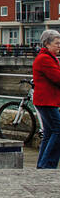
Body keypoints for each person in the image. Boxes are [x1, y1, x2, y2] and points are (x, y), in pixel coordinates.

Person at [33, 28, 60, 168]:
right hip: (47, 101)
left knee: (49, 133)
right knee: (58, 130)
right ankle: (48, 165)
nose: (59, 46)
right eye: (56, 43)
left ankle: (41, 165)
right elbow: (57, 78)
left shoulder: (47, 57)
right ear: (47, 44)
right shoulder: (45, 59)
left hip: (45, 100)